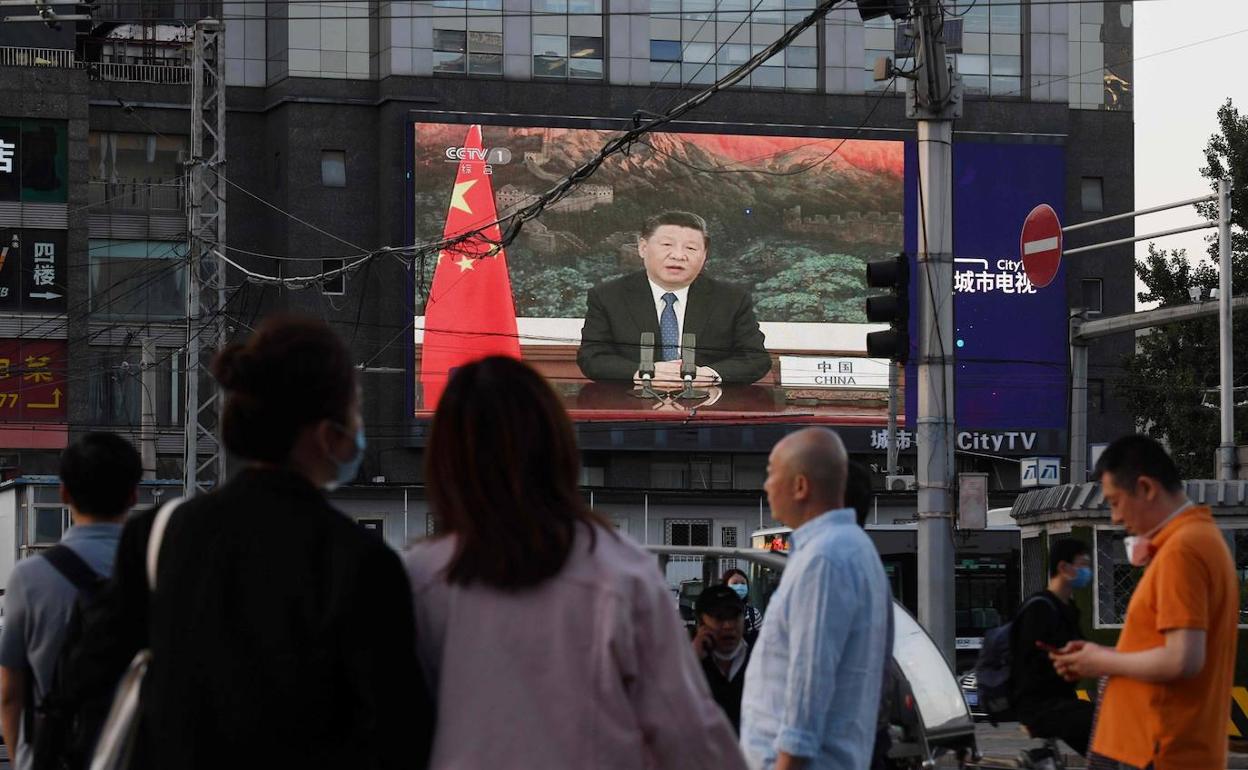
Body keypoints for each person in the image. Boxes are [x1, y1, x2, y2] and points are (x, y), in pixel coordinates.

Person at [106, 315, 431, 770]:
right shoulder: (360, 560)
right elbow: (397, 729)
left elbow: (97, 674)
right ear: (325, 433)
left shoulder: (157, 535)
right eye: (354, 411)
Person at [405, 356, 747, 770]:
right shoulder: (623, 572)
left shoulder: (418, 578)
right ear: (558, 445)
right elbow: (687, 732)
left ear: (443, 459)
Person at [1051, 435, 1237, 770]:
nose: (1116, 517)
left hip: (1155, 748)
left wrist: (1102, 660)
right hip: (1155, 745)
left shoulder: (1182, 550)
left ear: (1146, 488)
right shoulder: (1195, 539)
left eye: (1115, 502)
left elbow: (1183, 659)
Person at [740, 428, 890, 770]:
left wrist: (787, 763)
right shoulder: (853, 549)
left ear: (800, 486)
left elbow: (810, 677)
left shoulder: (824, 558)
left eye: (770, 473)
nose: (766, 486)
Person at [0, 433, 141, 770]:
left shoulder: (29, 577)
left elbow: (10, 692)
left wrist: (24, 760)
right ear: (134, 495)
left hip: (56, 755)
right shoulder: (160, 568)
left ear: (64, 493)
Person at [577, 211, 771, 386]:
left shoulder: (731, 299)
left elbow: (755, 358)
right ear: (643, 248)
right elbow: (592, 357)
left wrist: (709, 375)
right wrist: (644, 373)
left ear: (704, 255)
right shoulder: (608, 296)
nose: (678, 255)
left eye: (691, 248)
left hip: (706, 406)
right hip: (633, 404)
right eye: (667, 245)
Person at [1011, 538, 1095, 757]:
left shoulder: (1068, 608)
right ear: (1063, 568)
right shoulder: (1040, 608)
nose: (1087, 570)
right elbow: (1028, 664)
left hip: (1063, 700)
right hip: (1039, 706)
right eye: (1082, 564)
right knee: (1104, 731)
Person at [691, 585, 753, 733]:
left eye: (734, 616)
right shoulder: (687, 660)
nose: (728, 626)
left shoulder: (758, 653)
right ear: (701, 623)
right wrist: (692, 659)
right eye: (719, 618)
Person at [722, 568, 763, 645]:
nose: (739, 586)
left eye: (743, 583)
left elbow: (762, 641)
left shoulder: (753, 614)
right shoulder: (717, 612)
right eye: (735, 583)